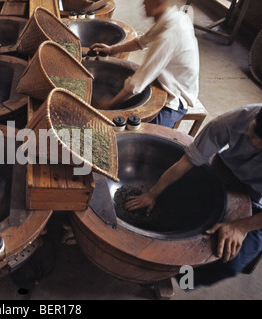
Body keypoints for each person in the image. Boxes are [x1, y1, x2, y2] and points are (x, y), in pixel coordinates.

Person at [124, 105, 262, 287]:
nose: (255, 144)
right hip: (226, 170)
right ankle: (159, 267)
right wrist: (153, 193)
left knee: (228, 262)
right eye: (253, 135)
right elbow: (186, 162)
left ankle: (174, 280)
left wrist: (241, 227)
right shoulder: (235, 120)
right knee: (177, 202)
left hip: (257, 206)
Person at [90, 0, 199, 128]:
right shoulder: (172, 17)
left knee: (142, 131)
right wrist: (111, 49)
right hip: (163, 81)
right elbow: (141, 42)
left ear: (158, 4)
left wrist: (108, 105)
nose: (143, 4)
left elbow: (135, 86)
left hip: (175, 98)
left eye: (147, 1)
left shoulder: (168, 37)